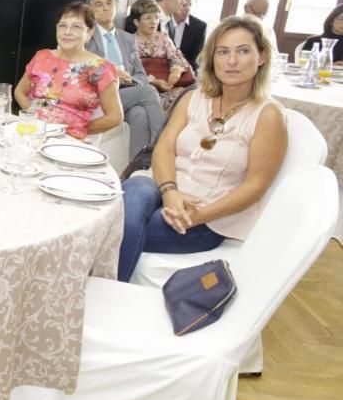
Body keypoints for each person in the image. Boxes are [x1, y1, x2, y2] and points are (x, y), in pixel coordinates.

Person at [117, 15, 287, 282]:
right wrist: (170, 191)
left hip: (206, 214)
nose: (231, 61)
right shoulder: (195, 98)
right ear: (212, 58)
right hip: (161, 185)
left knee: (114, 228)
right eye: (223, 52)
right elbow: (164, 149)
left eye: (243, 51)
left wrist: (199, 215)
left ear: (262, 56)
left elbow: (255, 186)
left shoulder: (268, 115)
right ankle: (109, 295)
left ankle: (107, 299)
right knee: (128, 199)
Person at [14, 1, 123, 140]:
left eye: (76, 26)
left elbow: (115, 117)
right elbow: (19, 91)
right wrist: (32, 116)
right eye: (62, 26)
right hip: (33, 132)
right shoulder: (42, 56)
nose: (67, 32)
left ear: (89, 32)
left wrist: (78, 129)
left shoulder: (101, 68)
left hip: (68, 140)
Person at [86, 0, 165, 159]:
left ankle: (138, 166)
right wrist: (110, 74)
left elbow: (141, 75)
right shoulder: (87, 36)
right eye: (99, 5)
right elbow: (82, 70)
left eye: (109, 2)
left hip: (129, 91)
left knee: (139, 114)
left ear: (116, 5)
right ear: (91, 10)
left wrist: (132, 81)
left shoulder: (127, 38)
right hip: (103, 93)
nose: (106, 8)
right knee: (150, 91)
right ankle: (164, 146)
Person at [130, 0, 195, 111]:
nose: (154, 21)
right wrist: (154, 81)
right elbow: (130, 72)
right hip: (145, 88)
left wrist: (176, 71)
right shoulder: (129, 41)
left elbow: (176, 57)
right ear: (136, 22)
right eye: (148, 18)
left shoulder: (163, 37)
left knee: (186, 95)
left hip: (170, 85)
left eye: (156, 17)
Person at [174, 0, 206, 65]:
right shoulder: (161, 22)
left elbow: (196, 60)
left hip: (186, 72)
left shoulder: (199, 27)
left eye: (190, 5)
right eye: (184, 5)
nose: (188, 9)